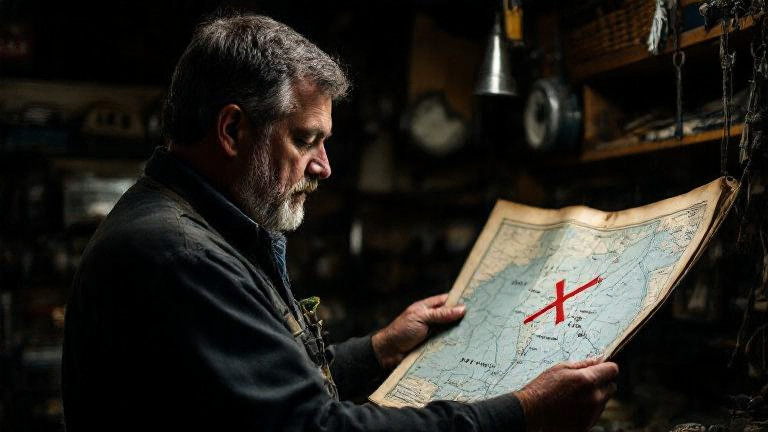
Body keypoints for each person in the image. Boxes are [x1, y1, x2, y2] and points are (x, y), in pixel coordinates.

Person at [61, 12, 618, 432]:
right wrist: (521, 413)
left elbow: (264, 388)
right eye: (307, 140)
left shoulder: (198, 229)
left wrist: (378, 350)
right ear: (232, 132)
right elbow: (315, 427)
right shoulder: (178, 255)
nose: (324, 167)